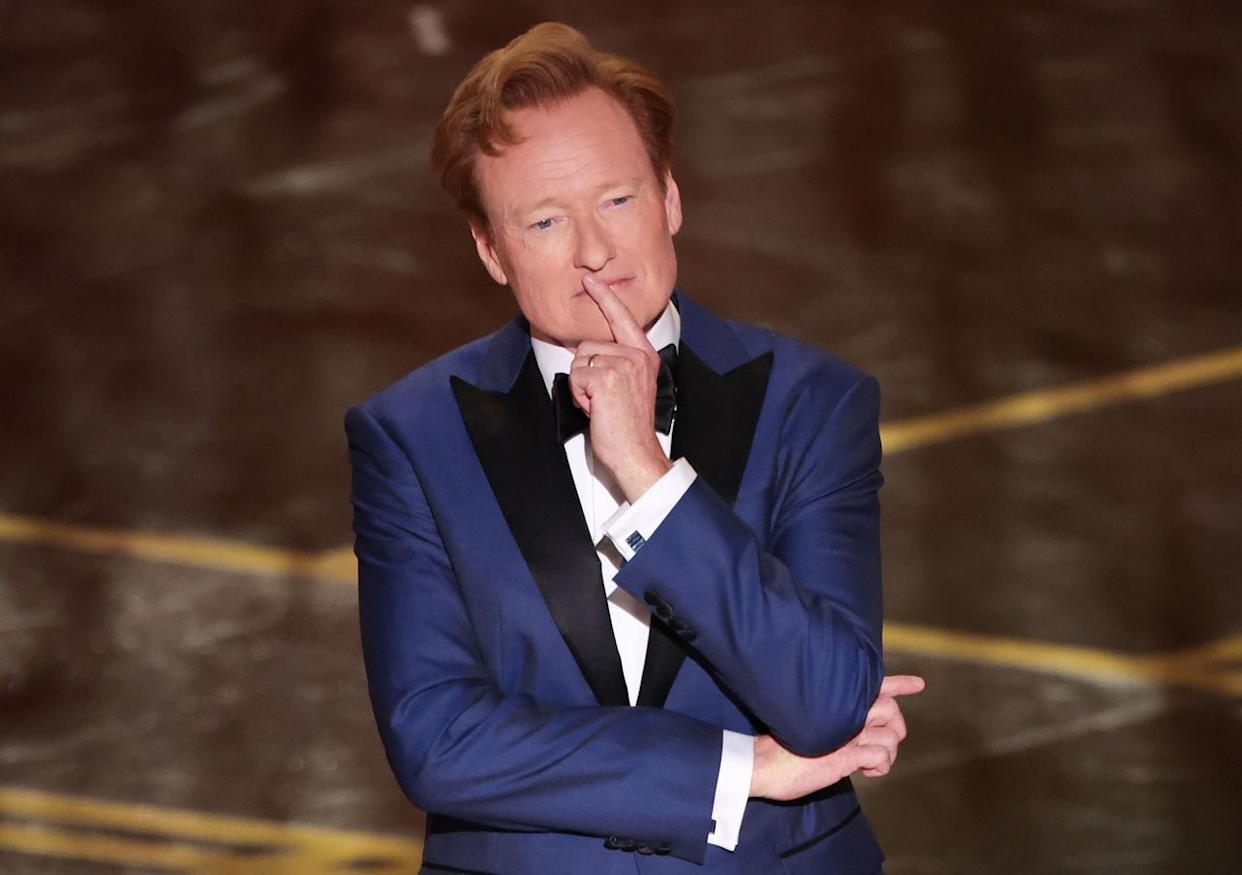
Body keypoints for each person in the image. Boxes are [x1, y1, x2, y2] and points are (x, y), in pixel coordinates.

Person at [346, 22, 924, 874]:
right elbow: (436, 739)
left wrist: (649, 480)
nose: (594, 253)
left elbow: (829, 700)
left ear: (671, 198)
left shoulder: (816, 401)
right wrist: (741, 770)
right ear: (490, 250)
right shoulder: (409, 434)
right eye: (544, 221)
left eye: (618, 200)